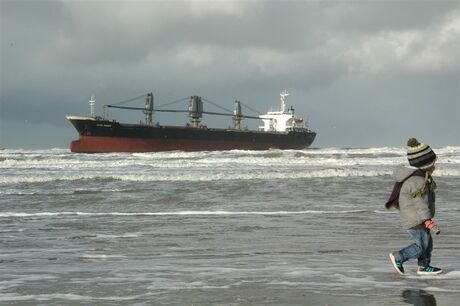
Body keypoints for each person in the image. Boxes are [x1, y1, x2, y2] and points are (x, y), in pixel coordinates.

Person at [387, 138, 442, 275]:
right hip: (415, 219)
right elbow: (420, 203)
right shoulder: (417, 181)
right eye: (432, 165)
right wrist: (427, 220)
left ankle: (424, 266)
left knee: (427, 244)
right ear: (424, 166)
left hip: (419, 218)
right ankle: (398, 256)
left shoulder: (420, 177)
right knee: (421, 246)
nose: (434, 168)